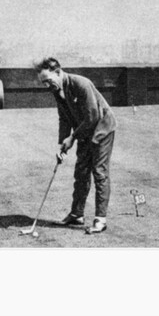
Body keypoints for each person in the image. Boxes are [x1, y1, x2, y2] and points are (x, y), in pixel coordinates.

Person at [34, 57, 117, 234]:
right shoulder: (57, 90)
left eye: (48, 81)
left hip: (102, 128)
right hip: (85, 130)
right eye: (43, 83)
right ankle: (77, 214)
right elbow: (64, 118)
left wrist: (72, 138)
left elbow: (93, 116)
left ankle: (100, 220)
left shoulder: (81, 84)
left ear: (58, 72)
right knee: (81, 172)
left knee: (99, 172)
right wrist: (62, 145)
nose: (46, 86)